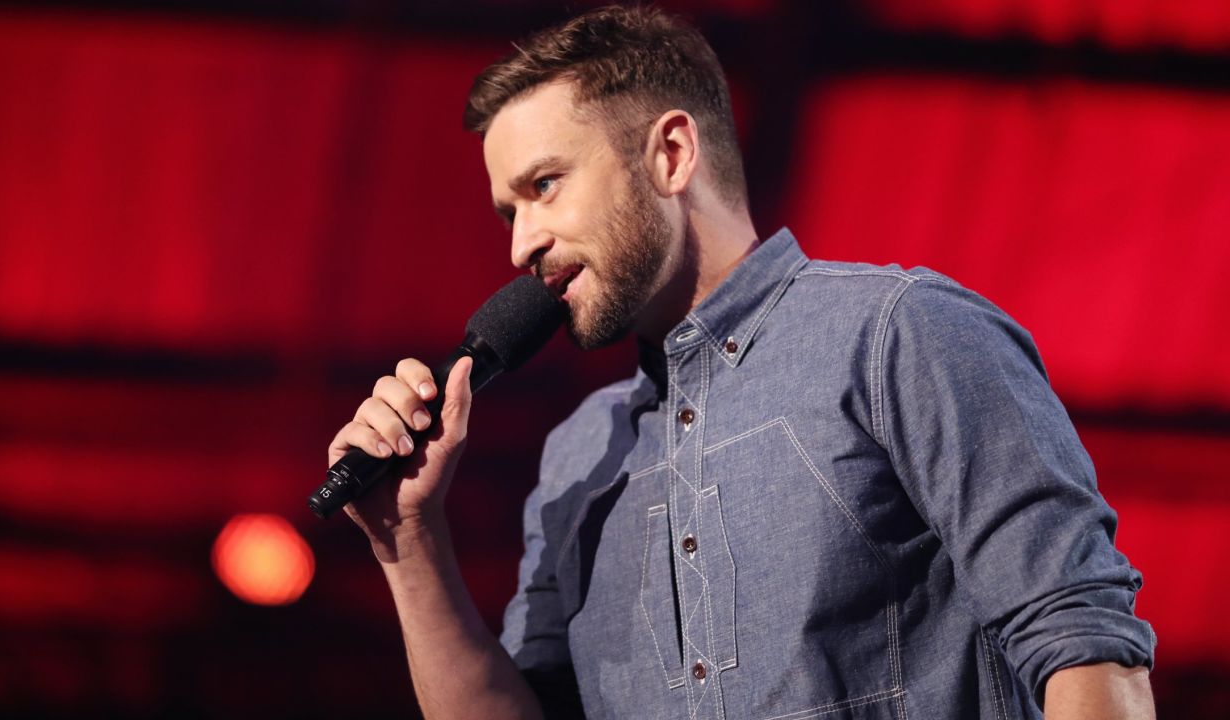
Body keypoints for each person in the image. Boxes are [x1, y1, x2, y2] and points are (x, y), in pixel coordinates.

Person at [327, 5, 1156, 719]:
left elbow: (1086, 648)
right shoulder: (578, 456)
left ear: (672, 154)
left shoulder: (899, 336)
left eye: (544, 185)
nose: (520, 243)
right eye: (508, 210)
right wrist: (409, 538)